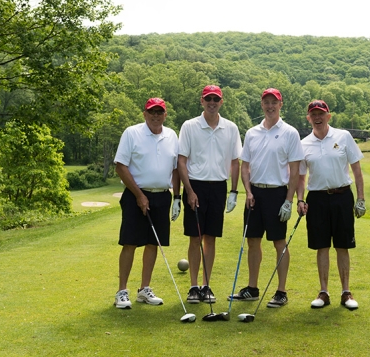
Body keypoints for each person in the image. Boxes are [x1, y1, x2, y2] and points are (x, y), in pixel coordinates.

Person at [229, 88, 304, 308]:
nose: (270, 106)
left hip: (277, 193)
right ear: (261, 105)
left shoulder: (290, 133)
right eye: (266, 102)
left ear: (281, 105)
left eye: (274, 102)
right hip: (255, 194)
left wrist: (289, 200)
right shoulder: (252, 132)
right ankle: (252, 288)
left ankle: (281, 291)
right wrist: (248, 191)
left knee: (278, 242)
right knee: (253, 241)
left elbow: (295, 170)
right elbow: (245, 166)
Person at [296, 99, 365, 310]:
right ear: (308, 118)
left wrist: (361, 198)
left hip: (342, 196)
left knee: (343, 245)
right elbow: (300, 177)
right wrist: (300, 199)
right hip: (316, 199)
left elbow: (356, 169)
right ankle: (324, 292)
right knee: (322, 245)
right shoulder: (303, 144)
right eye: (313, 114)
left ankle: (346, 292)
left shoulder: (343, 136)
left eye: (321, 114)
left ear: (328, 116)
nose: (317, 118)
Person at [113, 97, 181, 309]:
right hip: (136, 195)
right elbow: (121, 166)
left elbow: (176, 169)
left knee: (154, 244)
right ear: (144, 114)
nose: (155, 115)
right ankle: (122, 291)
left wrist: (177, 197)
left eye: (160, 112)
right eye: (152, 112)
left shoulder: (171, 135)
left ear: (165, 115)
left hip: (162, 196)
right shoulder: (132, 133)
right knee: (130, 242)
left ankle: (144, 290)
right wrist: (139, 195)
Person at [178, 85, 242, 304]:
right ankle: (193, 287)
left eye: (216, 99)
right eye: (208, 99)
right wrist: (188, 191)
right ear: (202, 101)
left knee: (211, 238)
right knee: (195, 237)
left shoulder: (231, 128)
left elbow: (235, 161)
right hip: (195, 185)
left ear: (221, 102)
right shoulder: (189, 126)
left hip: (218, 187)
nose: (212, 102)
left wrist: (234, 191)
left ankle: (206, 285)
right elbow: (182, 161)